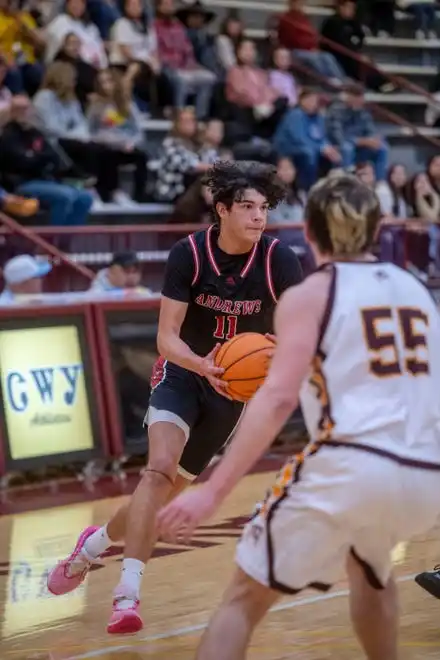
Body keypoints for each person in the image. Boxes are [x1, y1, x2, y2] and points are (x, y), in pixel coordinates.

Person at [158, 172, 440, 660]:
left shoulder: (308, 296)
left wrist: (213, 491)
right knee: (371, 572)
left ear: (308, 231)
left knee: (242, 600)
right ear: (376, 230)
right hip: (425, 470)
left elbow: (276, 399)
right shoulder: (413, 288)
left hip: (353, 464)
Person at [46, 160, 303, 634]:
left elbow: (296, 334)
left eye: (264, 208)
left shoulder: (279, 261)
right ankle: (127, 596)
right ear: (221, 208)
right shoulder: (189, 253)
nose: (257, 217)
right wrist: (202, 365)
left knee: (163, 495)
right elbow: (166, 338)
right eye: (246, 206)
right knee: (157, 470)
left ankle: (90, 549)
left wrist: (271, 366)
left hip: (231, 391)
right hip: (183, 371)